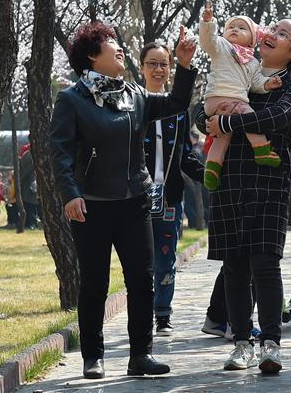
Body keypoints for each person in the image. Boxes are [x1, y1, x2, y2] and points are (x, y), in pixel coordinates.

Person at [50, 21, 197, 379]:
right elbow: (60, 152)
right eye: (109, 43)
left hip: (134, 201)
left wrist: (184, 64)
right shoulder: (72, 100)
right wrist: (70, 194)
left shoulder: (136, 96)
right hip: (91, 205)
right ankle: (92, 357)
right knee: (95, 283)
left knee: (141, 281)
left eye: (118, 42)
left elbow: (177, 102)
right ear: (91, 56)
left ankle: (141, 356)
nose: (119, 48)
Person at [197, 17, 291, 374]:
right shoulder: (238, 64)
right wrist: (209, 119)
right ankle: (241, 344)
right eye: (272, 29)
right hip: (230, 178)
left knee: (265, 264)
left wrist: (226, 123)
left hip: (269, 182)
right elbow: (201, 111)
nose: (272, 35)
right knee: (234, 267)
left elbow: (278, 117)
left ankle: (271, 345)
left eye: (283, 34)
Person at [139, 41, 205, 336]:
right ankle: (139, 313)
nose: (158, 69)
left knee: (166, 255)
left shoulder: (178, 111)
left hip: (169, 195)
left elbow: (186, 155)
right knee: (139, 258)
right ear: (141, 67)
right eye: (152, 63)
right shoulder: (133, 103)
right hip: (135, 196)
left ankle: (162, 313)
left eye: (163, 64)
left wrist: (209, 176)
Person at [198, 1, 283, 189]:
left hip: (223, 105)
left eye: (242, 28)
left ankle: (211, 168)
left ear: (252, 39)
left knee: (222, 136)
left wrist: (268, 83)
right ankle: (261, 149)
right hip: (221, 98)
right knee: (249, 116)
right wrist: (208, 22)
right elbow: (207, 41)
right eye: (230, 27)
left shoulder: (252, 63)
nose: (234, 29)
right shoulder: (221, 46)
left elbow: (256, 83)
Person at [19, 144, 39, 229]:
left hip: (27, 183)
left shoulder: (27, 155)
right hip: (29, 183)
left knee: (29, 204)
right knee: (30, 205)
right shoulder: (30, 156)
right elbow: (28, 170)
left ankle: (30, 223)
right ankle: (31, 223)